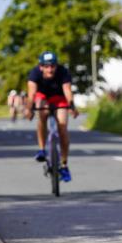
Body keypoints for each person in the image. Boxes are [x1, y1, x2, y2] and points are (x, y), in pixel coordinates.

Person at [26, 51, 79, 181]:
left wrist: (72, 106)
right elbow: (32, 93)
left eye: (53, 66)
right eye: (46, 66)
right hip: (43, 97)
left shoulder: (63, 72)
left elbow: (67, 90)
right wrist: (29, 109)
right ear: (41, 67)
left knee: (62, 127)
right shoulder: (35, 73)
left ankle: (64, 164)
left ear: (56, 65)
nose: (50, 69)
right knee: (42, 113)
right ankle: (42, 149)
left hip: (59, 98)